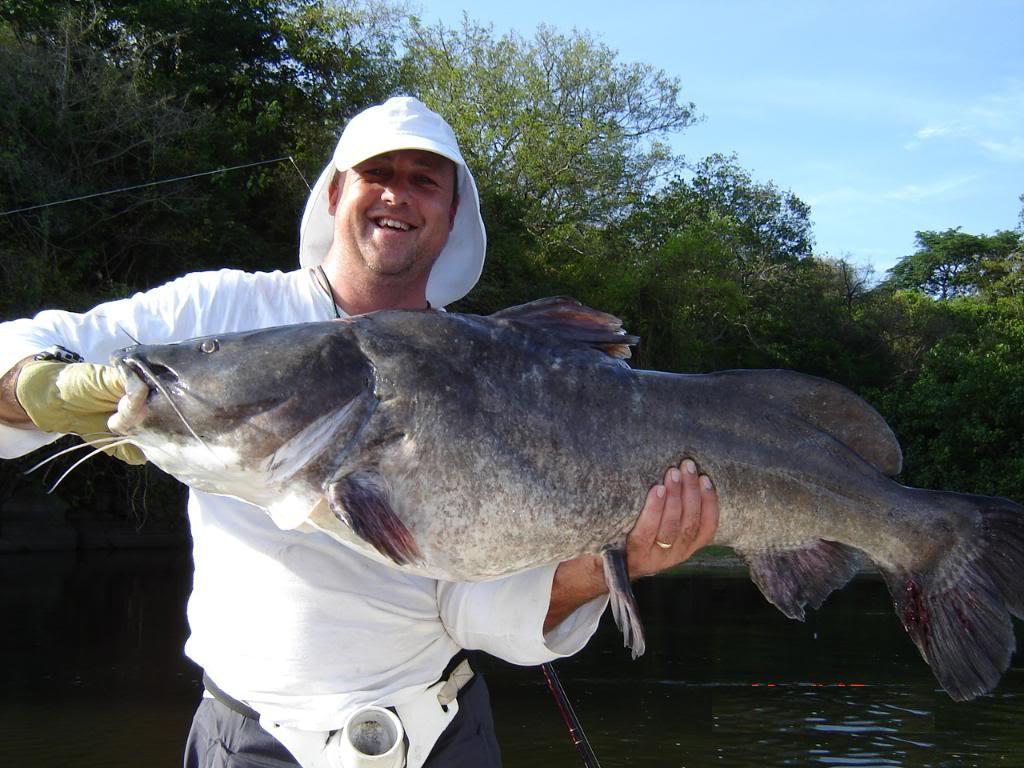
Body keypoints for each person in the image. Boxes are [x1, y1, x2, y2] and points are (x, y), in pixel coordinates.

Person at [0, 97, 718, 767]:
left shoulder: (485, 370)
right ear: (336, 193)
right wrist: (44, 386)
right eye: (376, 173)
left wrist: (613, 566)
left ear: (452, 210)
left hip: (438, 733)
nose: (397, 194)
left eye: (424, 180)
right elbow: (27, 342)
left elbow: (476, 609)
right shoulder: (219, 309)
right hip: (248, 738)